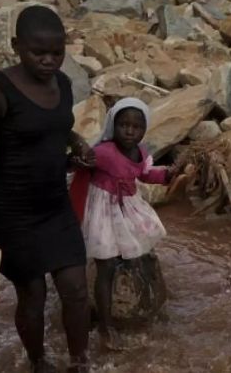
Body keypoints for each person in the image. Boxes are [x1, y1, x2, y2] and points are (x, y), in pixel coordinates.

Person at [0, 6, 93, 373]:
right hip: (11, 213)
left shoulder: (63, 84)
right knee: (33, 297)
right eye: (39, 53)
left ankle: (80, 362)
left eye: (57, 52)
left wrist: (77, 143)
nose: (49, 61)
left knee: (77, 291)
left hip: (55, 205)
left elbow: (57, 126)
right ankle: (38, 362)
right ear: (16, 45)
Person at [72, 98, 175, 349]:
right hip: (102, 211)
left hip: (126, 205)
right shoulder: (104, 152)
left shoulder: (140, 151)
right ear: (113, 125)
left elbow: (145, 174)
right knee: (105, 266)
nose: (130, 131)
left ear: (144, 129)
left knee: (139, 246)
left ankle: (139, 297)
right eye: (123, 125)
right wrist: (76, 158)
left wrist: (169, 174)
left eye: (136, 127)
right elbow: (76, 164)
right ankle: (107, 327)